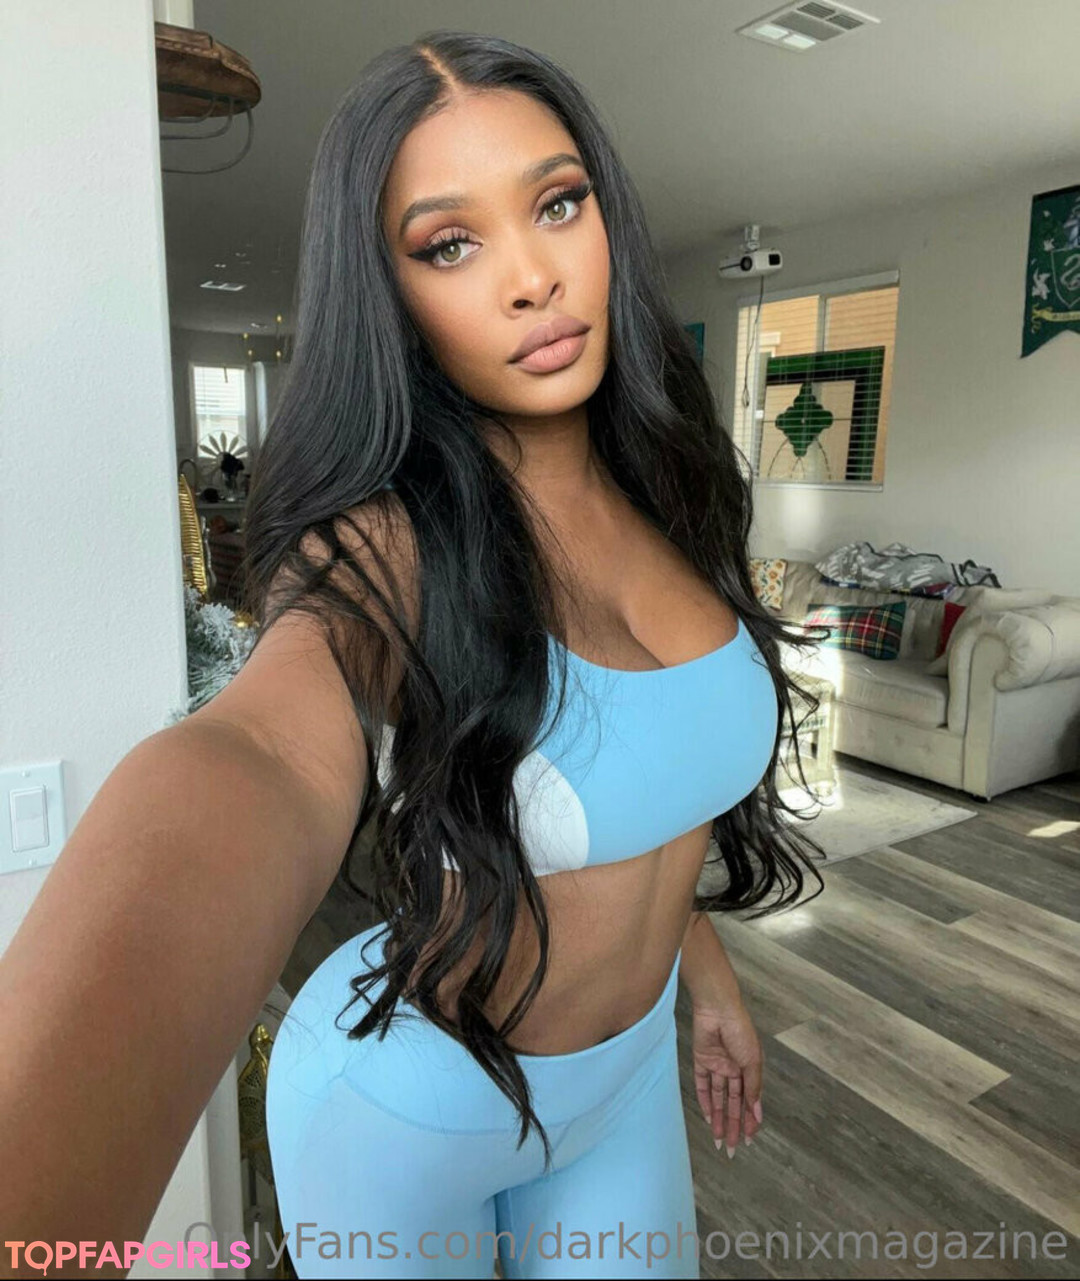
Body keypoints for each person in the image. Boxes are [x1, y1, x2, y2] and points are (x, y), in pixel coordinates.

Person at [0, 28, 826, 1281]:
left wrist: (707, 981)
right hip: (405, 1111)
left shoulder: (677, 490)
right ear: (388, 296)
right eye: (450, 243)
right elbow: (260, 754)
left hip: (625, 1091)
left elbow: (657, 793)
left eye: (558, 203)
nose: (533, 277)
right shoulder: (383, 546)